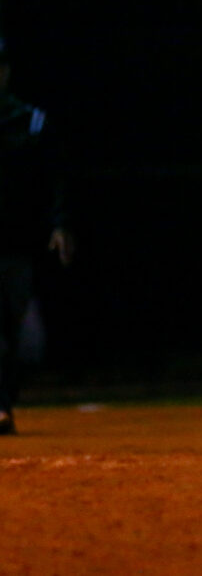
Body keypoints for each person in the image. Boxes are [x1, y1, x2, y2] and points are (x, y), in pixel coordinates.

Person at [0, 41, 74, 434]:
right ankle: (1, 407)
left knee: (16, 335)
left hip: (16, 242)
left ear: (6, 73)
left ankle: (5, 399)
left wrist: (59, 226)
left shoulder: (31, 122)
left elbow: (53, 180)